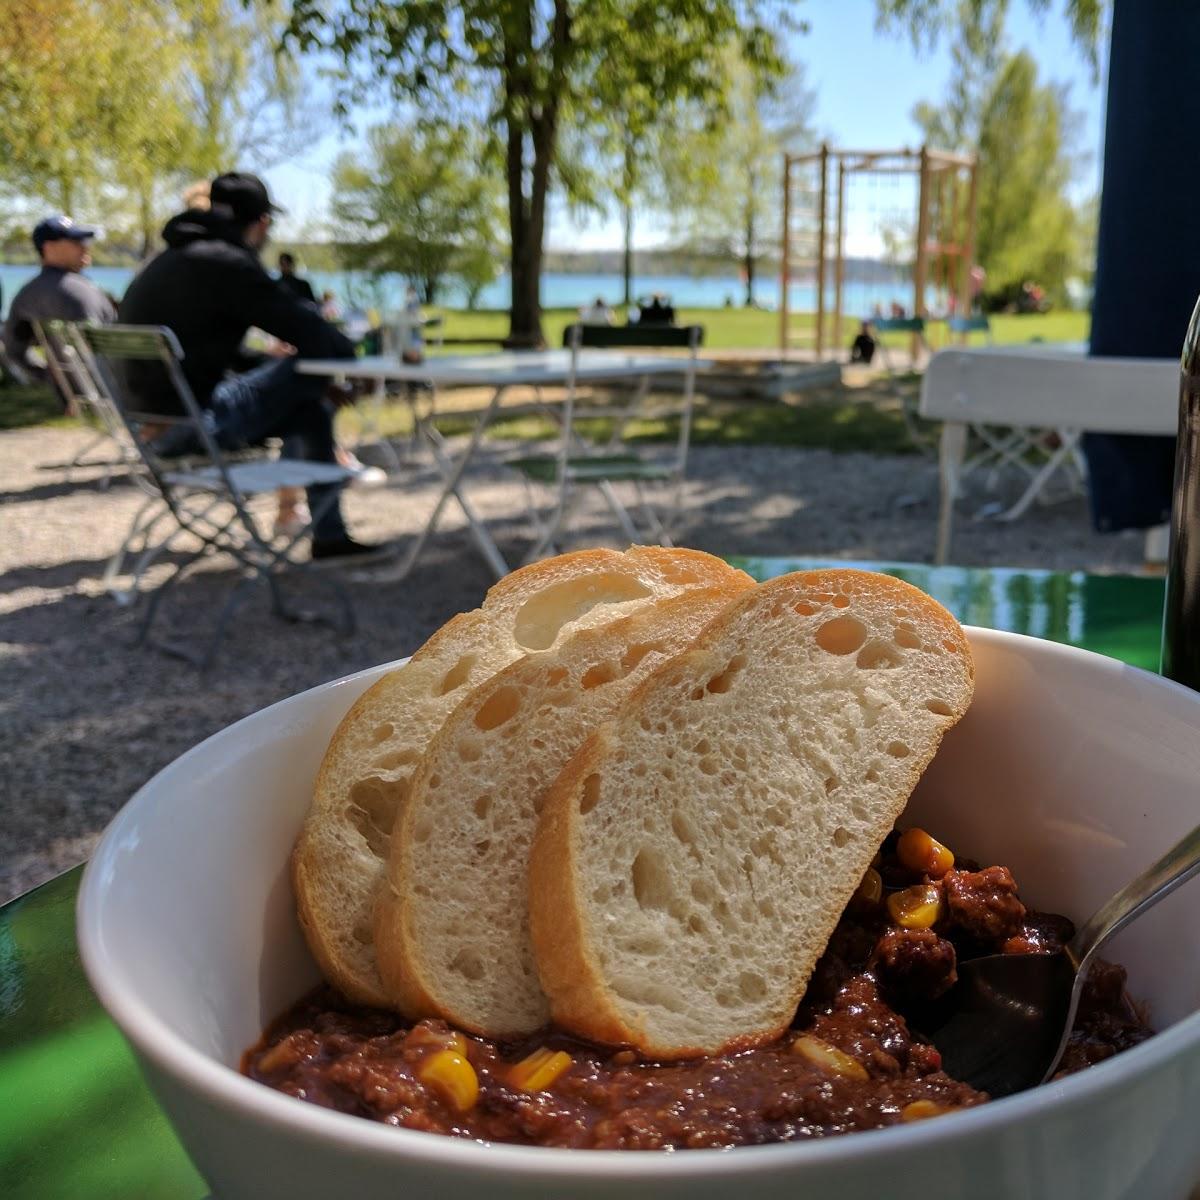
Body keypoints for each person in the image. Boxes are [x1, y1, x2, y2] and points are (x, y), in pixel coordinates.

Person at [118, 171, 384, 563]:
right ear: (261, 222)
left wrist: (310, 377)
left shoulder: (170, 260)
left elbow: (216, 352)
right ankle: (324, 524)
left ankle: (329, 536)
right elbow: (313, 333)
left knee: (310, 412)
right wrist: (344, 365)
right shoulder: (228, 263)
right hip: (194, 427)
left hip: (148, 426)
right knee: (305, 373)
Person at [3, 215, 115, 395]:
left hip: (76, 394)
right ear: (49, 248)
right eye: (75, 241)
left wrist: (51, 378)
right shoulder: (84, 291)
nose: (85, 246)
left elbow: (14, 351)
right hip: (114, 392)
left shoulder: (27, 294)